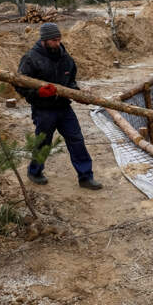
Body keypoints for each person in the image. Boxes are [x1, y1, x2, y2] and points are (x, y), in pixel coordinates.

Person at [15, 22, 102, 190]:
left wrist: (78, 93)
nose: (57, 43)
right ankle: (35, 172)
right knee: (44, 142)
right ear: (44, 40)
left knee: (76, 139)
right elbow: (20, 85)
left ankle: (85, 177)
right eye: (54, 40)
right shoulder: (31, 59)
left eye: (59, 39)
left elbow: (70, 82)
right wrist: (39, 93)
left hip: (64, 107)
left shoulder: (65, 58)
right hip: (44, 110)